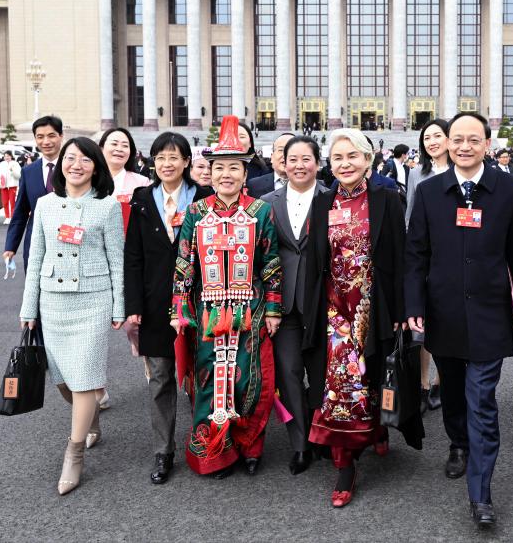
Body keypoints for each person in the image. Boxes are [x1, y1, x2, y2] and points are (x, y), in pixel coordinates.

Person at [405, 112, 513, 530]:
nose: (464, 146)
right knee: (454, 392)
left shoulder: (509, 189)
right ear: (447, 143)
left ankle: (481, 494)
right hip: (442, 312)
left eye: (473, 139)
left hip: (490, 313)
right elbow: (416, 254)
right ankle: (458, 442)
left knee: (481, 401)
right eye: (457, 139)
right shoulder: (428, 192)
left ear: (487, 144)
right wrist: (414, 303)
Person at [170, 116, 282, 479]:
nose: (226, 175)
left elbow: (271, 262)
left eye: (234, 167)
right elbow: (184, 263)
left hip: (251, 309)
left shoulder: (260, 211)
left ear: (245, 172)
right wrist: (178, 309)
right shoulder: (196, 213)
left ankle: (250, 446)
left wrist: (274, 309)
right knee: (211, 381)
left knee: (249, 380)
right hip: (208, 310)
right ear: (210, 173)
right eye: (219, 168)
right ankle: (215, 451)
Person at [304, 128, 407, 507]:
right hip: (334, 313)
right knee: (338, 386)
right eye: (338, 158)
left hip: (372, 307)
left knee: (373, 376)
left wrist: (399, 310)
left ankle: (377, 428)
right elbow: (315, 262)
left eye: (352, 156)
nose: (345, 164)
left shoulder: (387, 199)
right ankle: (344, 464)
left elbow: (399, 258)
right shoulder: (322, 203)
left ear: (367, 159)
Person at [18, 137, 125, 496]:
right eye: (70, 158)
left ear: (96, 167)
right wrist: (28, 308)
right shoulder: (45, 205)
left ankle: (73, 454)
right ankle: (91, 421)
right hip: (53, 302)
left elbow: (117, 261)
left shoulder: (107, 207)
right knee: (64, 381)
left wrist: (119, 307)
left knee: (83, 379)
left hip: (93, 300)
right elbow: (35, 259)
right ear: (61, 164)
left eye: (85, 160)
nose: (76, 165)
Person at [124, 132, 212, 485]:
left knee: (203, 376)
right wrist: (133, 305)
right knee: (161, 378)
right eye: (160, 157)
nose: (167, 164)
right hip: (156, 303)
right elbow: (134, 256)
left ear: (187, 161)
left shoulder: (205, 198)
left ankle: (207, 444)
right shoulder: (143, 199)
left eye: (174, 157)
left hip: (201, 302)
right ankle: (164, 451)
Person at [261, 135, 329, 475]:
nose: (299, 166)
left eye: (306, 159)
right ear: (282, 164)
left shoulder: (332, 199)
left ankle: (322, 435)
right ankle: (300, 445)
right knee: (288, 374)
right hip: (281, 304)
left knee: (321, 374)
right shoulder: (265, 203)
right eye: (293, 160)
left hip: (321, 300)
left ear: (317, 163)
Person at [405, 119, 451, 413]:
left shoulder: (461, 170)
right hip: (425, 256)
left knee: (448, 322)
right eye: (427, 138)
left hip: (453, 257)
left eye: (437, 136)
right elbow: (410, 216)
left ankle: (440, 382)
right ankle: (422, 383)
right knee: (421, 325)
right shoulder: (416, 174)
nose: (432, 142)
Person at [4, 116, 65, 268]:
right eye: (40, 137)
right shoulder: (28, 171)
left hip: (66, 241)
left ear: (61, 136)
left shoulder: (73, 169)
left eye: (51, 136)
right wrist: (11, 246)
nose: (46, 141)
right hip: (35, 242)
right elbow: (21, 212)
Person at [100, 128, 151, 232]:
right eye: (114, 144)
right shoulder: (88, 180)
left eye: (125, 146)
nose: (119, 149)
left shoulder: (142, 182)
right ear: (101, 148)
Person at [248, 132, 294, 198]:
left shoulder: (309, 184)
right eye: (281, 150)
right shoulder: (254, 185)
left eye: (292, 150)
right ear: (272, 157)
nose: (286, 155)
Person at [0, 151, 22, 223]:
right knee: (5, 202)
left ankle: (13, 217)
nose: (6, 157)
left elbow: (19, 176)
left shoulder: (15, 164)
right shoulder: (1, 164)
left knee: (12, 202)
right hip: (3, 186)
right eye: (5, 156)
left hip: (12, 185)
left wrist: (12, 171)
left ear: (11, 156)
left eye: (8, 156)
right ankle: (7, 217)